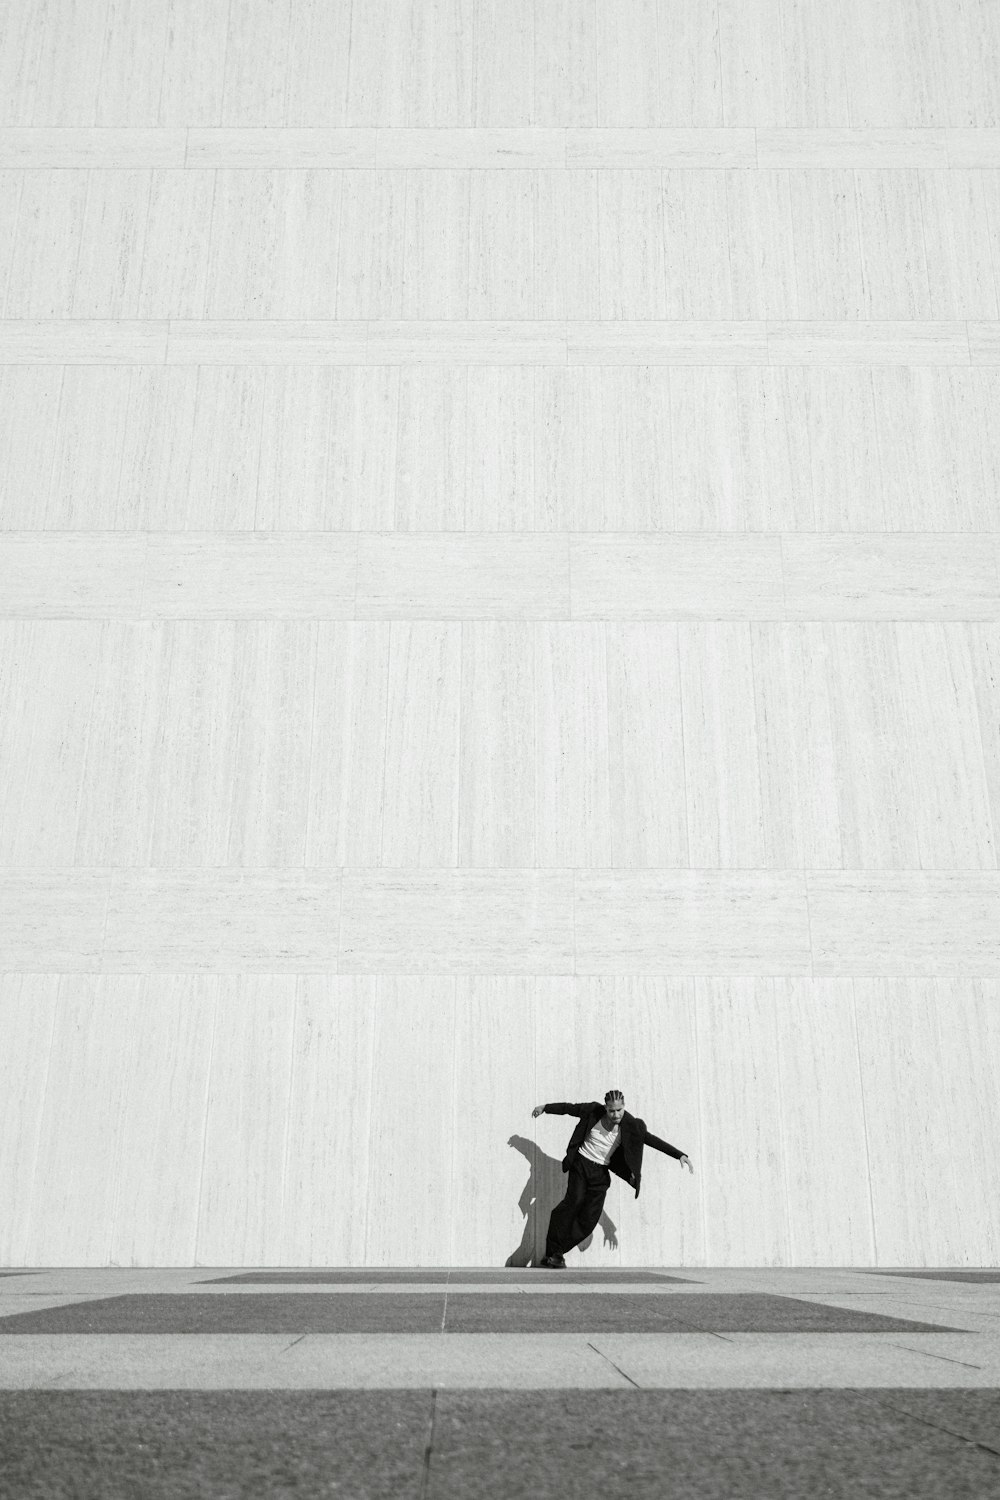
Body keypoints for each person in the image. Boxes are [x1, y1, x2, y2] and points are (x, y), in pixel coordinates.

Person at [531, 1089, 692, 1268]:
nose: (616, 1115)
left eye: (619, 1110)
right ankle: (555, 1253)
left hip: (600, 1173)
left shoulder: (632, 1125)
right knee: (573, 1203)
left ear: (624, 1107)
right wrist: (545, 1107)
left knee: (589, 1220)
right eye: (611, 1110)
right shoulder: (592, 1111)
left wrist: (679, 1155)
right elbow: (570, 1108)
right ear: (605, 1108)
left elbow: (652, 1140)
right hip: (581, 1164)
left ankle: (555, 1253)